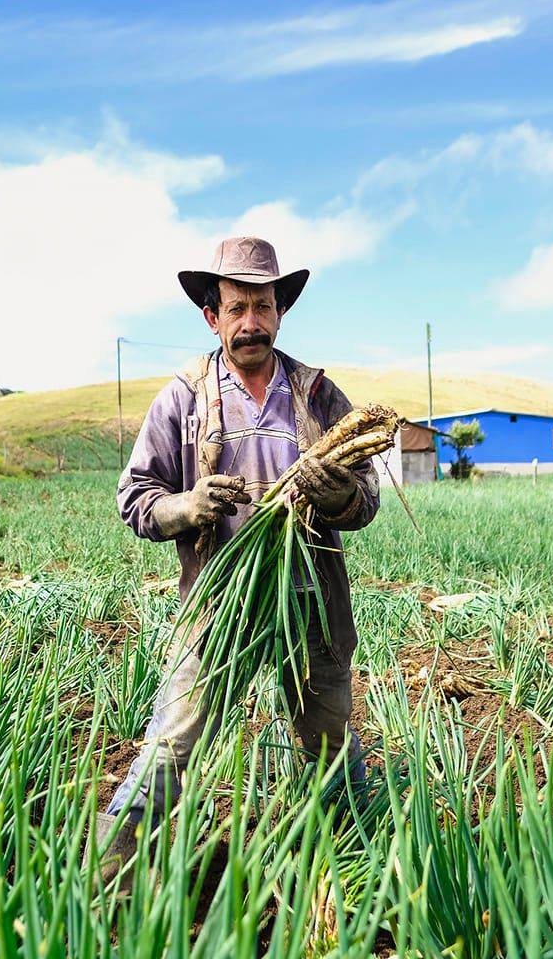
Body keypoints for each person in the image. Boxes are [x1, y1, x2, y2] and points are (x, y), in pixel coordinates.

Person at [90, 237, 380, 878]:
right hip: (219, 599)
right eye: (236, 307)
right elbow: (135, 498)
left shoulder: (318, 395)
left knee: (328, 735)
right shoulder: (183, 397)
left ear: (280, 311)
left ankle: (367, 853)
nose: (250, 322)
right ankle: (104, 873)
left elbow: (367, 502)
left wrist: (338, 496)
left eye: (263, 305)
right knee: (175, 739)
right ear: (211, 316)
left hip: (309, 600)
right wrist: (188, 507)